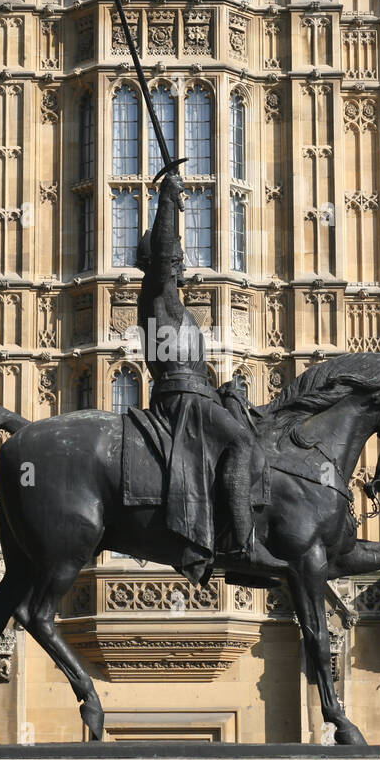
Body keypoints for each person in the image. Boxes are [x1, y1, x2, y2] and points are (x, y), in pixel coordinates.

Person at [135, 165, 257, 585]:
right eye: (177, 259)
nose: (184, 264)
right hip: (180, 401)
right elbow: (165, 249)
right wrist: (168, 199)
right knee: (240, 441)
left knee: (250, 425)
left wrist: (226, 391)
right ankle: (241, 544)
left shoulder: (175, 309)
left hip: (195, 395)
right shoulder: (158, 297)